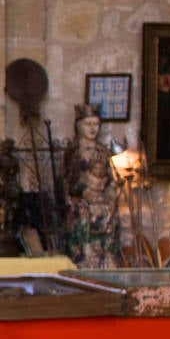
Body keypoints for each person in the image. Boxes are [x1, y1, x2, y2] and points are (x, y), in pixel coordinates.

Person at [63, 104, 121, 268]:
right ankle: (84, 257)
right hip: (82, 200)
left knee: (111, 213)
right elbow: (68, 181)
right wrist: (84, 191)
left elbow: (110, 177)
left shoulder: (103, 150)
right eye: (88, 124)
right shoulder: (74, 151)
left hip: (101, 199)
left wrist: (110, 191)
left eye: (95, 124)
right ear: (79, 125)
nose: (92, 128)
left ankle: (106, 258)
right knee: (82, 216)